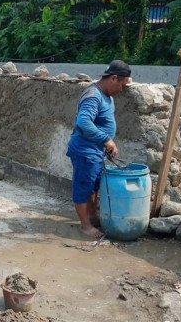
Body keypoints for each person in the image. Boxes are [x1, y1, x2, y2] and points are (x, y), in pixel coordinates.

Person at [66, 60, 131, 238]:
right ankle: (85, 225)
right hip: (84, 151)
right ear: (114, 78)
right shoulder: (93, 96)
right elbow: (83, 122)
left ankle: (92, 217)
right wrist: (106, 139)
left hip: (95, 151)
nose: (122, 90)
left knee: (93, 187)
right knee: (83, 188)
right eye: (122, 85)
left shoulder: (106, 95)